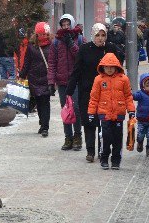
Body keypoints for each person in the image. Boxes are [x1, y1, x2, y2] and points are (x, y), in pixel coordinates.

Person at [66, 23, 124, 162]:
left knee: (103, 122)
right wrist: (69, 90)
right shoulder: (84, 49)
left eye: (103, 35)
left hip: (106, 91)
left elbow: (119, 65)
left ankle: (101, 150)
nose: (100, 38)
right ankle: (90, 151)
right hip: (87, 91)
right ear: (92, 35)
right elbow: (76, 70)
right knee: (89, 122)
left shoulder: (110, 48)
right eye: (97, 35)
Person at [87, 53, 135, 170]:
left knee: (117, 138)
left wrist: (131, 111)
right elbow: (94, 98)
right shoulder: (98, 80)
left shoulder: (124, 79)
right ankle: (104, 158)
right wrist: (91, 113)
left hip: (119, 114)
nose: (109, 69)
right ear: (102, 67)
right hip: (104, 113)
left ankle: (116, 160)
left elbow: (128, 96)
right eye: (106, 67)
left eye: (111, 66)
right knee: (105, 137)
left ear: (116, 66)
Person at [48, 14, 83, 151]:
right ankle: (68, 137)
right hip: (62, 81)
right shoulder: (56, 42)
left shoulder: (80, 39)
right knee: (66, 110)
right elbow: (52, 63)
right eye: (63, 25)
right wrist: (51, 82)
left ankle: (77, 136)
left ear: (72, 24)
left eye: (68, 24)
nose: (66, 27)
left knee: (76, 108)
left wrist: (71, 44)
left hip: (76, 81)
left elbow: (81, 57)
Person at [19, 22, 51, 137]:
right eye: (41, 34)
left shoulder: (52, 45)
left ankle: (45, 126)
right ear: (37, 35)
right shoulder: (31, 47)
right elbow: (27, 63)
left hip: (47, 78)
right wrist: (22, 75)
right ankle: (42, 123)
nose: (44, 36)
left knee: (45, 102)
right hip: (35, 79)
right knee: (39, 101)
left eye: (45, 34)